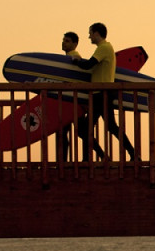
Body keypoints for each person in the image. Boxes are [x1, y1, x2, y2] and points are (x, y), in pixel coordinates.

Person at [71, 23, 135, 161]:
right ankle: (133, 154)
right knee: (111, 126)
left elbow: (88, 65)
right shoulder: (106, 47)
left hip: (101, 93)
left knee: (85, 129)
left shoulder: (104, 48)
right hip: (103, 92)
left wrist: (77, 61)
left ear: (96, 33)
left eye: (90, 33)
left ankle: (96, 158)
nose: (89, 36)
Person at [55, 32, 96, 162]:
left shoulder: (73, 57)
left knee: (66, 133)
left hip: (73, 102)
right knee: (78, 132)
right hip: (71, 101)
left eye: (67, 41)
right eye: (63, 40)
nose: (63, 42)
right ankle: (84, 159)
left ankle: (64, 161)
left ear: (75, 44)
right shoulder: (68, 58)